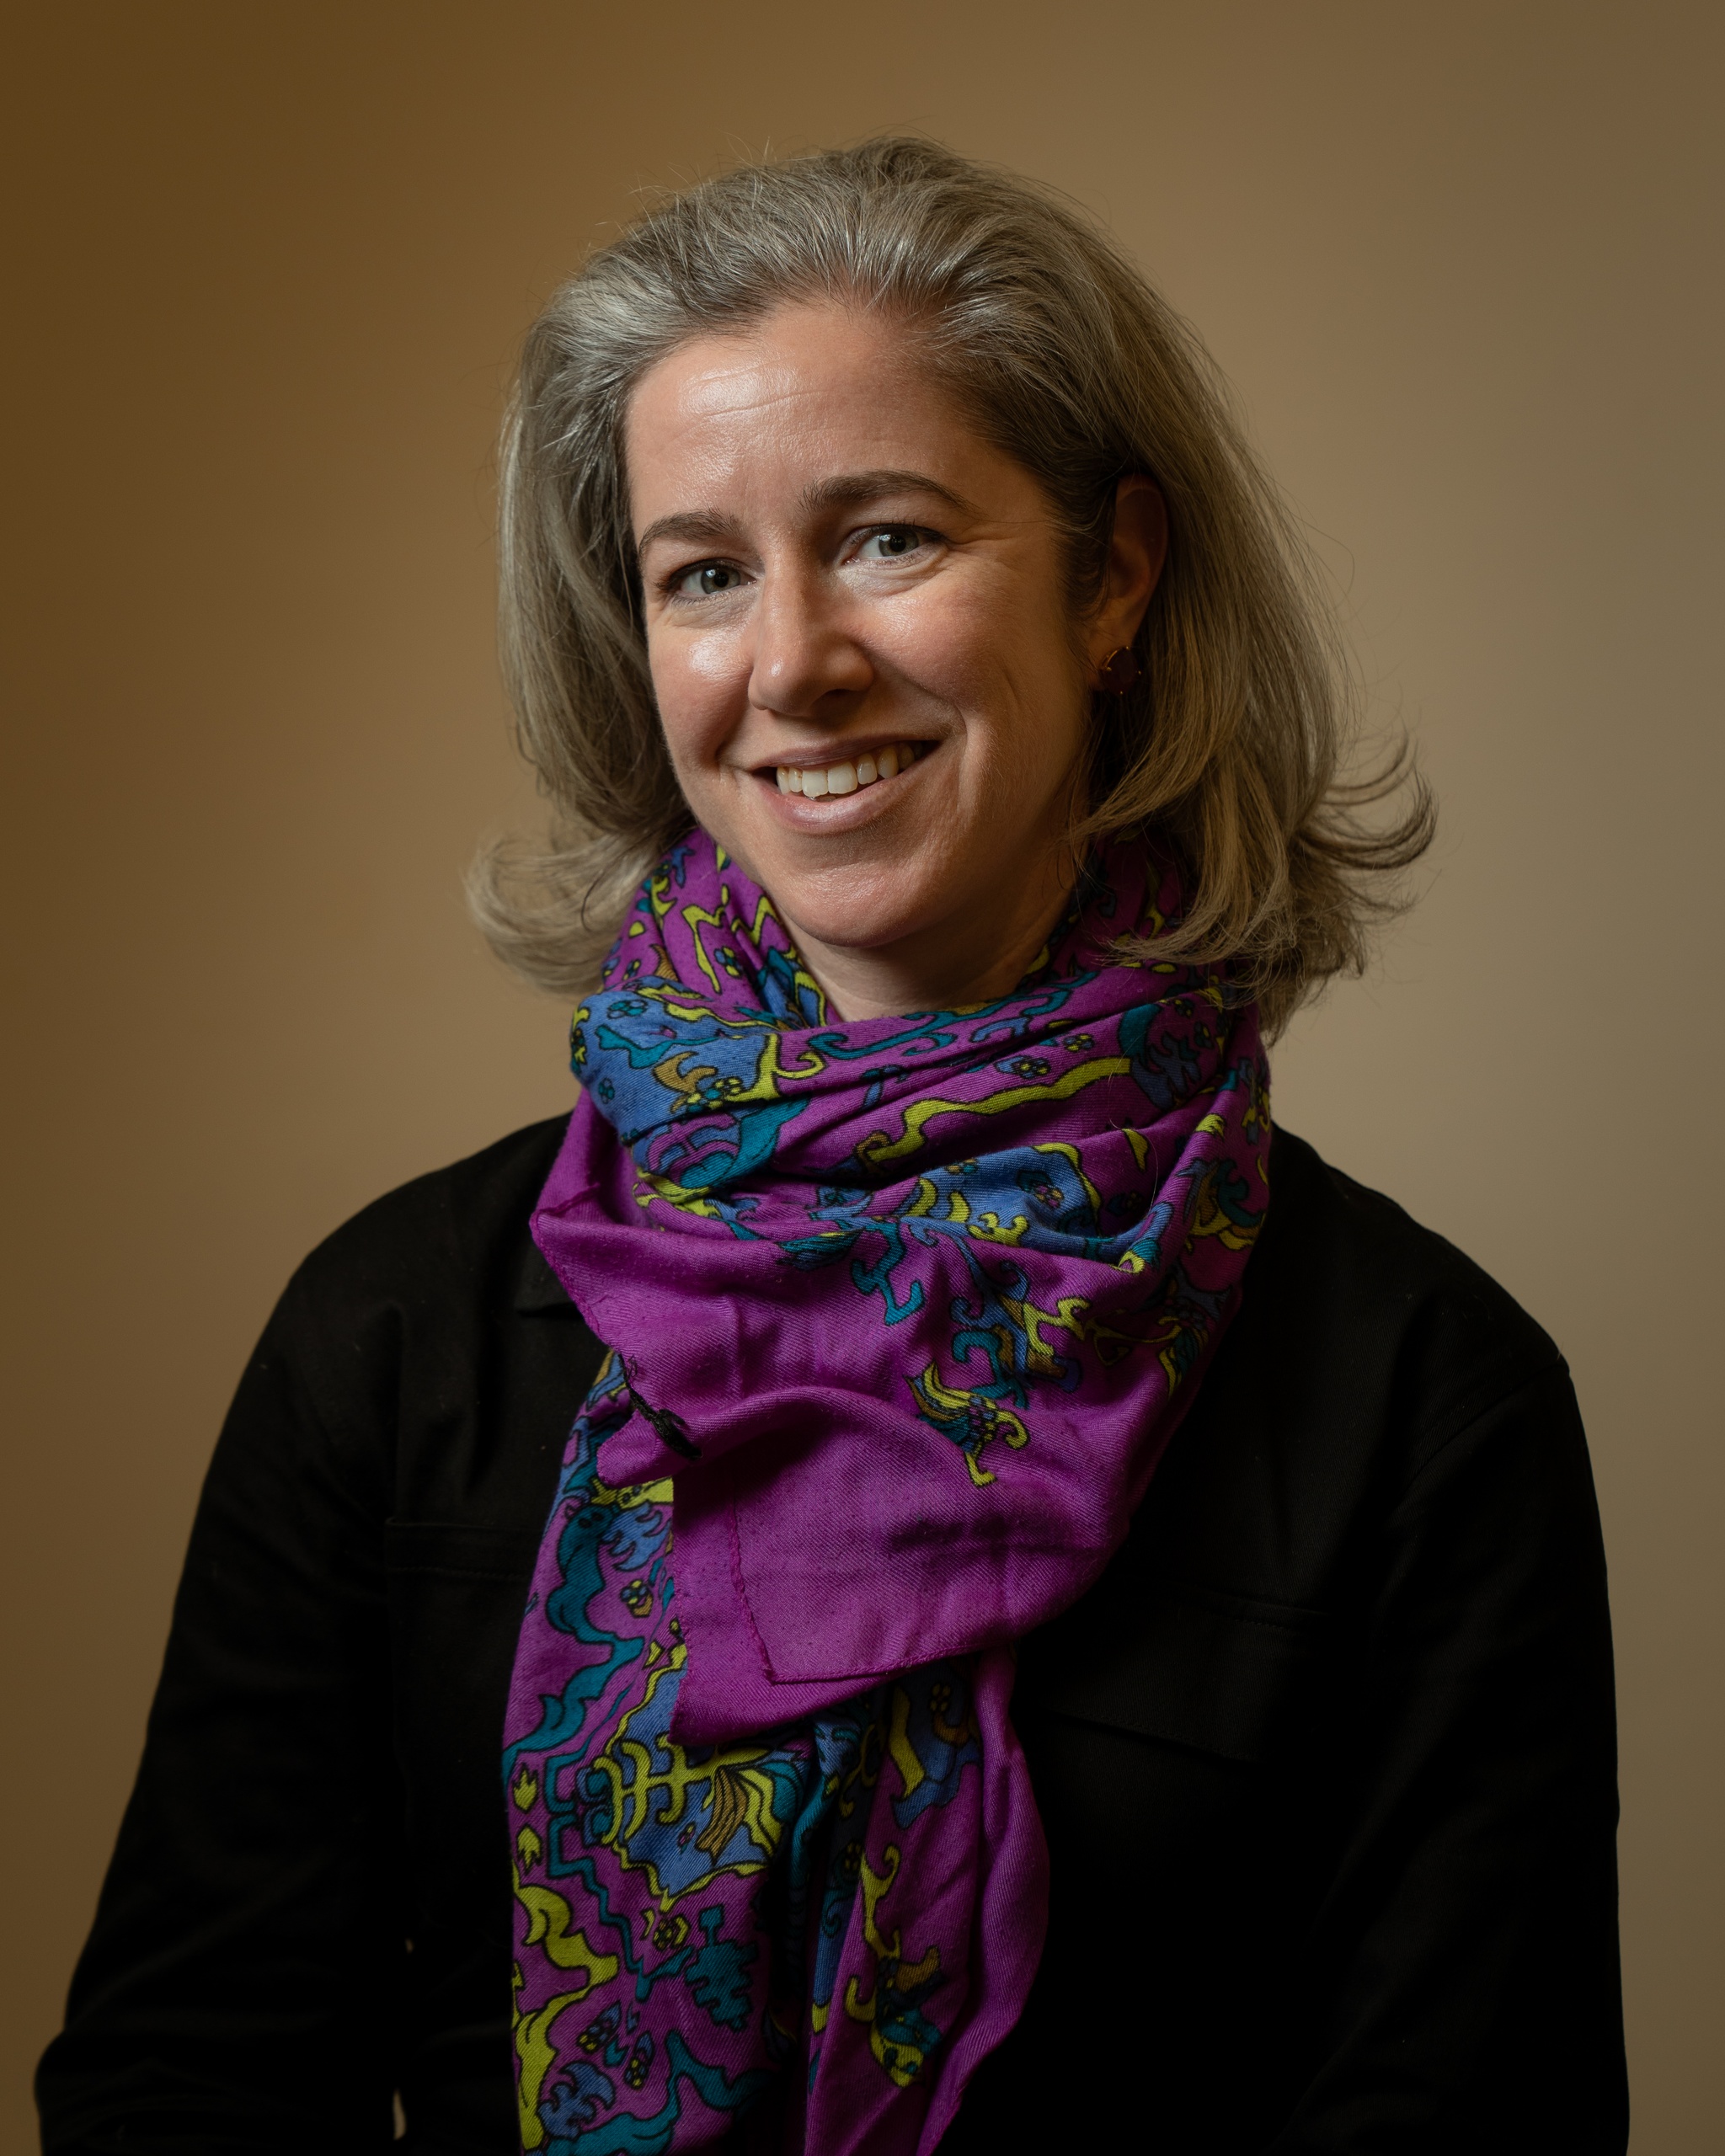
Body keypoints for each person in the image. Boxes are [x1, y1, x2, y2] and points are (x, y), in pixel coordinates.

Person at [37, 138, 1626, 2155]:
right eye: (703, 571)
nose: (789, 663)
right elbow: (184, 2083)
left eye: (884, 536)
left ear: (1115, 574)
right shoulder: (395, 1333)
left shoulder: (1425, 1396)